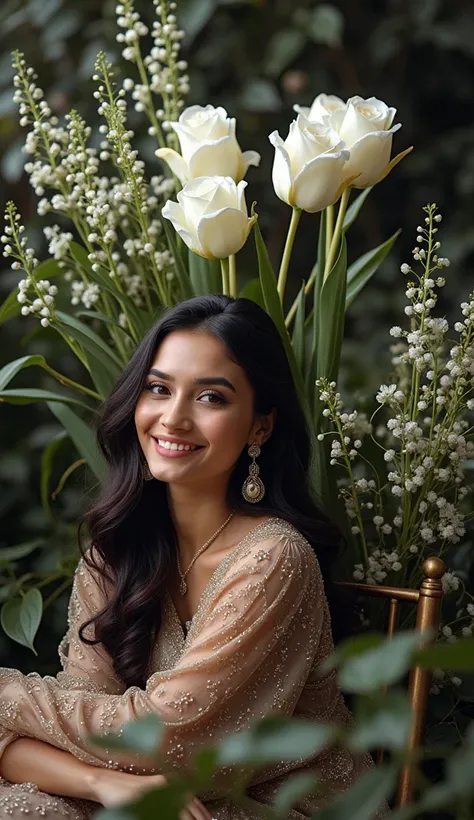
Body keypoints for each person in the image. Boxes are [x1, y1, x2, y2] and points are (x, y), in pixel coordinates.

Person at [0, 295, 383, 819]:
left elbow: (165, 739)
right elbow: (73, 725)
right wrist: (101, 781)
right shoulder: (116, 550)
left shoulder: (274, 559)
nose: (173, 418)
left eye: (210, 398)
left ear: (260, 427)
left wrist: (4, 697)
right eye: (158, 389)